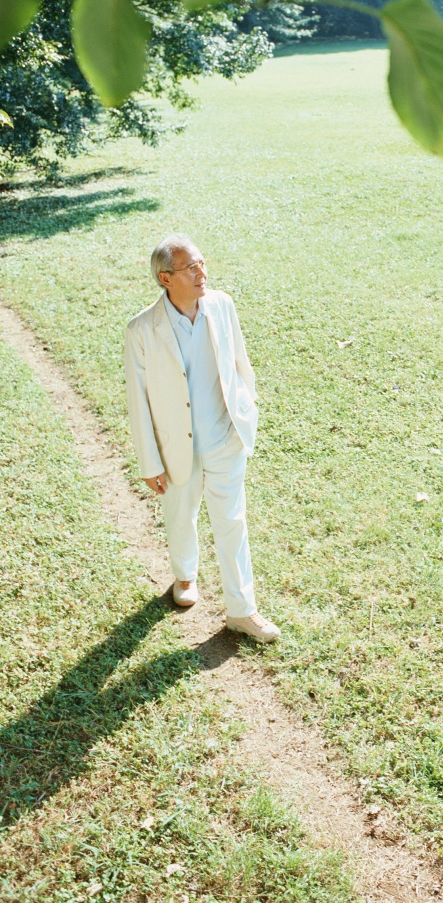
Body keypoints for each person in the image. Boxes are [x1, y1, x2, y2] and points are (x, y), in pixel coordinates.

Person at [124, 234, 280, 643]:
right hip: (176, 446)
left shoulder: (222, 305)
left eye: (202, 263)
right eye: (190, 268)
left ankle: (242, 611)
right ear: (165, 278)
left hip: (225, 436)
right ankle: (185, 575)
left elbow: (240, 362)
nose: (201, 273)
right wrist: (150, 463)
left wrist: (248, 407)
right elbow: (138, 402)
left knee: (232, 522)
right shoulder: (141, 330)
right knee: (181, 516)